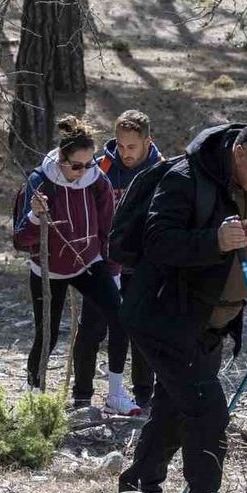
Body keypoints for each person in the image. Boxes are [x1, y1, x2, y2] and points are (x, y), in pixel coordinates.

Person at [117, 118, 247, 493]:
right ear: (239, 153)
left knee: (174, 410)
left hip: (210, 325)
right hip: (164, 318)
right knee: (208, 411)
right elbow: (156, 241)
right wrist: (212, 241)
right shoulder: (186, 178)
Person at [12, 116, 122, 395]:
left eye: (89, 164)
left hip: (89, 262)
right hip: (49, 270)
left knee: (120, 317)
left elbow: (108, 226)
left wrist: (113, 267)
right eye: (76, 166)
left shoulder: (97, 181)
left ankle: (116, 391)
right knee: (46, 336)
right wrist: (36, 216)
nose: (83, 171)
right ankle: (34, 394)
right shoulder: (40, 182)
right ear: (61, 158)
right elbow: (20, 239)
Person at [72, 110, 162, 414]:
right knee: (92, 329)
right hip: (102, 264)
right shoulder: (101, 167)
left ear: (148, 142)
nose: (125, 153)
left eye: (132, 147)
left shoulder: (163, 172)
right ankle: (82, 395)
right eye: (121, 146)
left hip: (142, 266)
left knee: (140, 331)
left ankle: (143, 397)